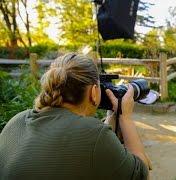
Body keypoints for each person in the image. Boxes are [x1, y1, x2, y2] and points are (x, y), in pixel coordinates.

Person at [0, 53, 151, 179]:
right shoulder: (93, 135)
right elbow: (141, 174)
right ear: (93, 92)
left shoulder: (17, 120)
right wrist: (125, 118)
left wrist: (110, 119)